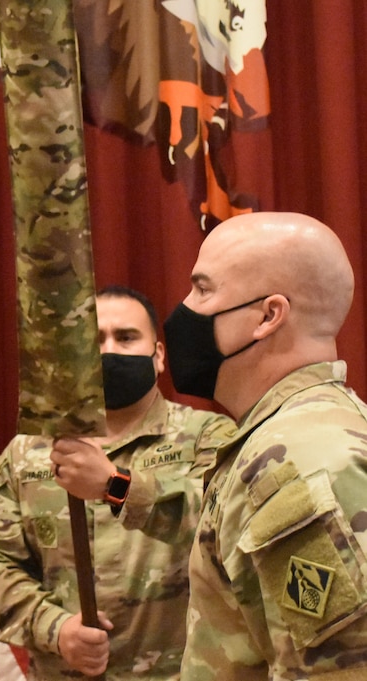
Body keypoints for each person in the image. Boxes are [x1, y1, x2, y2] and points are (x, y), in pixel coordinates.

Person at [0, 285, 234, 680]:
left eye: (126, 338)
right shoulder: (26, 454)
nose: (109, 351)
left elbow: (226, 529)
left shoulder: (208, 435)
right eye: (94, 340)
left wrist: (117, 486)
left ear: (158, 356)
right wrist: (56, 630)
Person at [162, 211, 367, 679]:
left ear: (268, 315)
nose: (184, 308)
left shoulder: (298, 463)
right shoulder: (284, 438)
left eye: (204, 289)